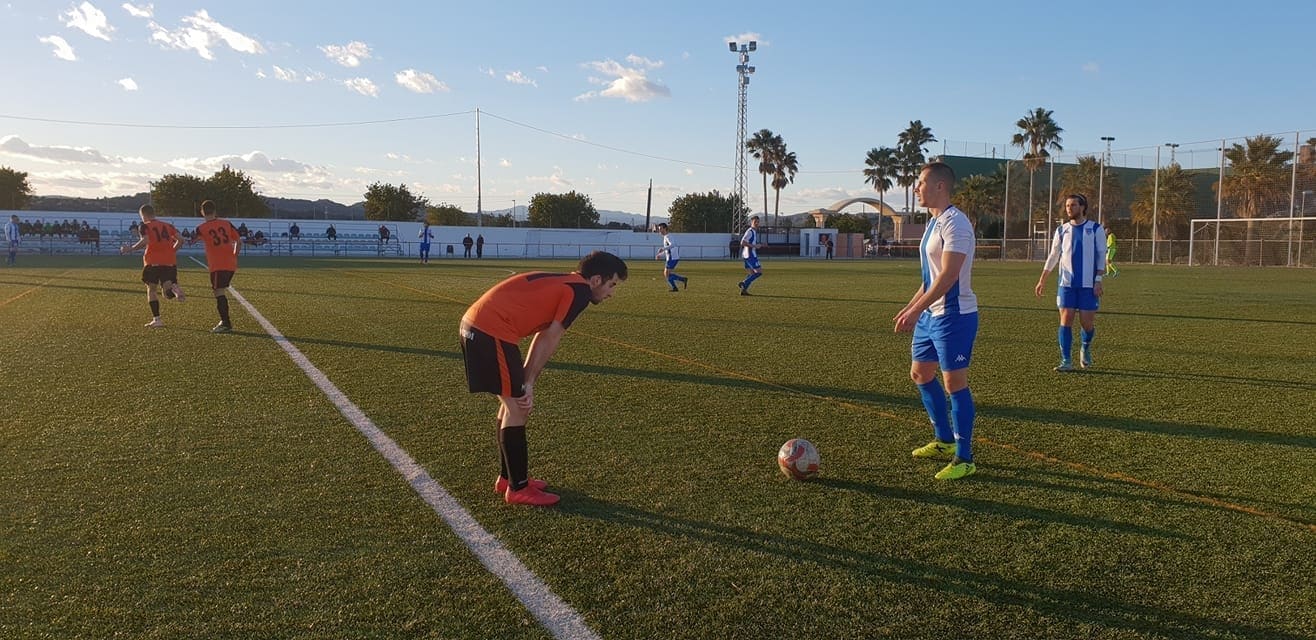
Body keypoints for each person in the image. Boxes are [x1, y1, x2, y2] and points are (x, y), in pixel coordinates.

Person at [460, 251, 628, 506]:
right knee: (517, 407)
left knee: (512, 405)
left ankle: (508, 478)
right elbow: (551, 338)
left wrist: (526, 380)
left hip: (480, 326)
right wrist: (528, 383)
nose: (611, 293)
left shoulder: (569, 284)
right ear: (596, 280)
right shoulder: (580, 293)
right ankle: (518, 489)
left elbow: (542, 335)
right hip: (489, 330)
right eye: (611, 284)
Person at [894, 162, 979, 481]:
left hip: (955, 316)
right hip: (931, 316)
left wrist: (917, 310)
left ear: (940, 186)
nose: (917, 187)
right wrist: (911, 307)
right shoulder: (933, 223)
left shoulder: (956, 224)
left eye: (921, 182)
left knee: (954, 384)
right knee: (920, 373)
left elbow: (948, 277)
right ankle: (943, 441)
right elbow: (929, 278)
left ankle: (965, 457)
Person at [1035, 194, 1106, 372]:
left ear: (1082, 207)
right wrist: (1042, 279)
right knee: (1065, 320)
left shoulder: (1095, 229)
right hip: (1066, 284)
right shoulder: (1061, 230)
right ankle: (1066, 360)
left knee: (1086, 323)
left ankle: (1085, 347)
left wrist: (1098, 280)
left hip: (1088, 286)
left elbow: (1100, 256)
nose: (1069, 208)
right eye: (1067, 205)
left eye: (1073, 205)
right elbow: (1053, 256)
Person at [120, 204, 185, 328]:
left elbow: (145, 240)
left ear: (143, 215)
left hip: (152, 262)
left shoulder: (144, 226)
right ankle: (174, 289)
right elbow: (181, 240)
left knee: (152, 290)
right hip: (169, 262)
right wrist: (171, 251)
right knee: (167, 294)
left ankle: (157, 320)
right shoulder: (168, 225)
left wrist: (130, 249)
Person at [188, 200, 242, 333]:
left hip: (217, 264)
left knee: (218, 291)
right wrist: (234, 255)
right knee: (220, 290)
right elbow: (239, 241)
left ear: (202, 212)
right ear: (215, 211)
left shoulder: (201, 228)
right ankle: (225, 322)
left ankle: (225, 322)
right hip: (230, 263)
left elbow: (192, 241)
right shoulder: (226, 223)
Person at [654, 222, 689, 292]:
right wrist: (660, 255)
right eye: (659, 229)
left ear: (665, 228)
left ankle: (678, 284)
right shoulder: (665, 237)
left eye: (660, 229)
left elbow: (673, 245)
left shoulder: (668, 236)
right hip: (671, 258)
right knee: (666, 274)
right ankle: (681, 281)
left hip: (672, 258)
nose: (659, 230)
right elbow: (668, 249)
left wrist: (662, 249)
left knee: (666, 274)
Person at [737, 215, 764, 295]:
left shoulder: (753, 231)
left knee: (751, 274)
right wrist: (755, 246)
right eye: (755, 222)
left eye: (758, 222)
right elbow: (742, 242)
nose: (756, 223)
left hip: (747, 255)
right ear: (751, 222)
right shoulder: (750, 231)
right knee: (759, 272)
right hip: (750, 255)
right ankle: (744, 283)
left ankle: (744, 291)